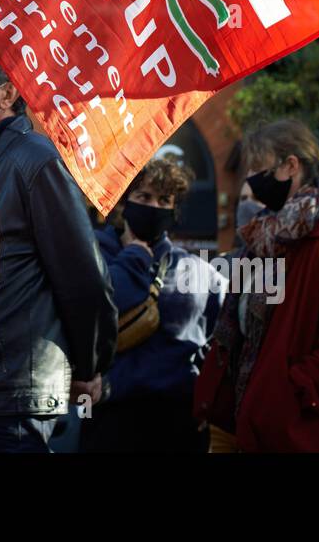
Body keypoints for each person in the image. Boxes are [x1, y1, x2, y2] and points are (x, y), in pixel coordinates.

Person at [0, 38, 117, 453]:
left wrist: (91, 364)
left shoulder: (35, 159)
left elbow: (83, 277)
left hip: (13, 396)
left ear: (7, 92)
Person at [194, 119, 319, 452]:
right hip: (246, 428)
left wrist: (289, 395)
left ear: (290, 166)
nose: (251, 179)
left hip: (299, 435)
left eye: (257, 168)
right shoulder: (263, 236)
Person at [83, 157, 226, 453]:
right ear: (124, 203)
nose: (155, 207)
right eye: (144, 197)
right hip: (111, 415)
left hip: (177, 419)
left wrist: (207, 401)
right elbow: (100, 307)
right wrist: (135, 257)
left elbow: (220, 342)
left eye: (165, 200)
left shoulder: (199, 271)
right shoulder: (92, 254)